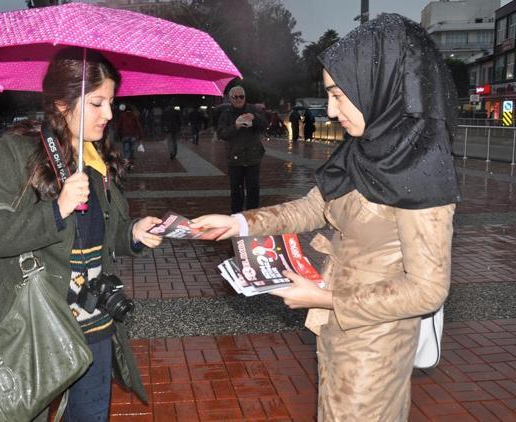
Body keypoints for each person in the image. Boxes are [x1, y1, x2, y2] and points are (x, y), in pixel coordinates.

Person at [191, 14, 460, 420]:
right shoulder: (364, 149)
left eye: (339, 94)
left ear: (379, 86)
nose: (331, 111)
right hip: (337, 330)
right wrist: (239, 224)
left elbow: (427, 290)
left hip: (376, 345)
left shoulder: (421, 168)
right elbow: (315, 206)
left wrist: (324, 298)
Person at [0, 47, 163, 422]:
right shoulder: (16, 151)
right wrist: (55, 210)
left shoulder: (96, 158)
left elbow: (107, 235)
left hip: (93, 324)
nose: (109, 114)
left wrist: (133, 233)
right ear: (61, 103)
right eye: (97, 103)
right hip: (34, 326)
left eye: (111, 103)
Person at [216, 85, 267, 213]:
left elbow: (265, 125)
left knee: (253, 189)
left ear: (245, 97)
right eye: (235, 97)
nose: (239, 99)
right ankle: (237, 217)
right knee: (236, 191)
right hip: (235, 158)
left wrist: (254, 119)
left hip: (253, 157)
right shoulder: (226, 113)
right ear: (230, 98)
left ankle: (252, 217)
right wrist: (236, 126)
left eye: (241, 96)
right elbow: (221, 134)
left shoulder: (253, 109)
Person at [116, 103, 143, 168]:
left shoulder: (122, 115)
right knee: (132, 149)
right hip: (133, 135)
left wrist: (118, 134)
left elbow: (119, 126)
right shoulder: (134, 115)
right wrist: (140, 136)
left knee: (126, 150)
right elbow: (138, 126)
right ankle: (131, 163)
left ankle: (127, 162)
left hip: (125, 135)